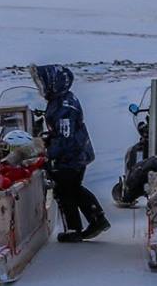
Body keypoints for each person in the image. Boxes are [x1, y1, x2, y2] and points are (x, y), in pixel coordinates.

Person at [34, 63, 109, 242]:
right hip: (76, 154)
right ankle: (96, 219)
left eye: (42, 83)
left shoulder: (64, 106)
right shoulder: (60, 100)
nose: (40, 87)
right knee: (73, 189)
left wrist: (49, 154)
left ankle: (74, 229)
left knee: (65, 190)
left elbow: (65, 137)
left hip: (70, 157)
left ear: (53, 83)